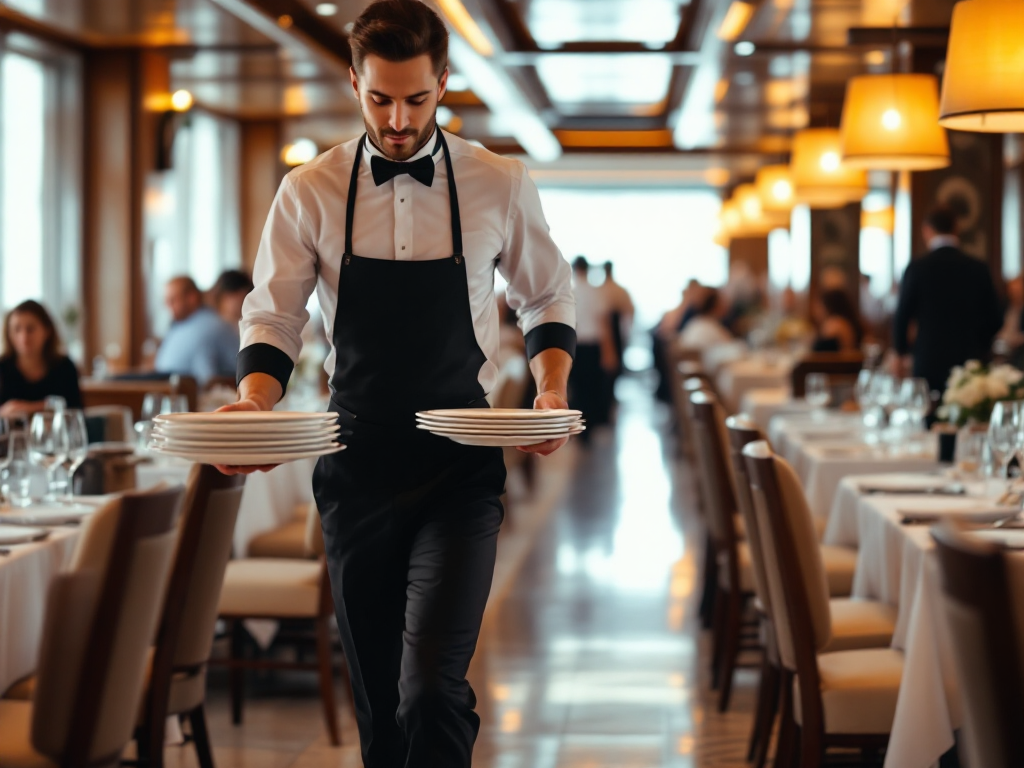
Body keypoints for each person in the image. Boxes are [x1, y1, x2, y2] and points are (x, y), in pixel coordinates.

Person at [215, 2, 576, 764]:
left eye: (416, 98)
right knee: (381, 710)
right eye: (380, 99)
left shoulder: (499, 181)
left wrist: (549, 389)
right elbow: (274, 316)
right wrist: (253, 402)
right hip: (357, 470)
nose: (400, 120)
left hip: (459, 468)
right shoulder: (308, 189)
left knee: (431, 690)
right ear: (354, 82)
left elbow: (545, 296)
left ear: (443, 82)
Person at [893, 208, 1003, 392]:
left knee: (928, 408)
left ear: (927, 230)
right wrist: (979, 345)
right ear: (956, 228)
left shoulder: (917, 268)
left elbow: (902, 317)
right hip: (971, 362)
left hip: (928, 360)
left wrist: (901, 352)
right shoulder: (978, 269)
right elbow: (995, 319)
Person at [0, 300, 82, 418]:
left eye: (30, 329)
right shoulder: (2, 367)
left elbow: (75, 411)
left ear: (47, 331)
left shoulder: (64, 367)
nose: (23, 337)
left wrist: (27, 408)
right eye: (17, 329)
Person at [154, 276, 240, 386]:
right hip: (168, 389)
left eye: (173, 300)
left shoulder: (209, 327)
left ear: (192, 297)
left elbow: (207, 380)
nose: (168, 306)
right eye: (166, 301)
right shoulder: (178, 326)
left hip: (198, 394)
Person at [569, 256, 615, 429]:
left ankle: (577, 426)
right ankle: (589, 426)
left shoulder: (569, 292)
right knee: (592, 387)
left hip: (574, 346)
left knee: (577, 388)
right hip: (592, 347)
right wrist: (609, 352)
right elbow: (604, 324)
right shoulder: (596, 292)